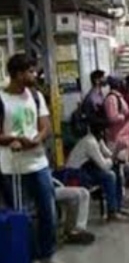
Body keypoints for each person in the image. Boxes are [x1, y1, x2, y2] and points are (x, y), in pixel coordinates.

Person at [0, 55, 58, 262]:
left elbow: (46, 126)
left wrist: (37, 139)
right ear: (18, 74)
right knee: (21, 216)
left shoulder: (35, 96)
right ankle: (28, 255)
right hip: (13, 168)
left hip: (38, 162)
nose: (35, 75)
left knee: (48, 211)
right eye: (30, 72)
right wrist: (13, 140)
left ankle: (47, 253)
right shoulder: (1, 100)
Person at [63, 123, 129, 222]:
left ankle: (117, 206)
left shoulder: (98, 140)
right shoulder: (90, 143)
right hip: (75, 174)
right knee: (109, 176)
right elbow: (104, 166)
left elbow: (108, 155)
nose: (108, 132)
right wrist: (115, 153)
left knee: (116, 168)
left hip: (85, 169)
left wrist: (119, 157)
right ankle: (112, 211)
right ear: (101, 132)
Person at [53, 179, 96, 245]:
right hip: (46, 190)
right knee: (76, 195)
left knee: (84, 192)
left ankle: (78, 229)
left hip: (55, 185)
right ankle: (72, 231)